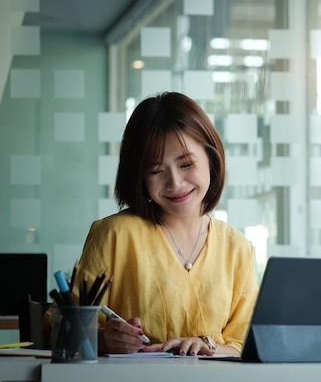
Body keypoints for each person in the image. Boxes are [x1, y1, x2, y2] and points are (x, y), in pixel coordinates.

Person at [54, 91, 259, 356]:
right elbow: (58, 329)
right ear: (138, 176)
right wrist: (103, 339)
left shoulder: (237, 247)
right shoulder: (114, 235)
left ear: (211, 158)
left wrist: (209, 346)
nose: (175, 183)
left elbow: (245, 344)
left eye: (186, 164)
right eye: (156, 171)